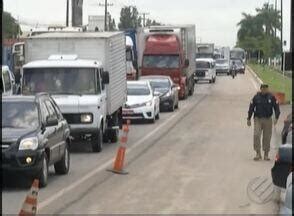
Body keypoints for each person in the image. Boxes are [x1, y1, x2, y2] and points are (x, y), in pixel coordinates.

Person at [247, 84, 280, 161]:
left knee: (267, 137)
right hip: (258, 119)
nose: (265, 90)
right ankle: (258, 153)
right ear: (261, 89)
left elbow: (276, 107)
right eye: (263, 88)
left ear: (267, 89)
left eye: (266, 89)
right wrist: (248, 118)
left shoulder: (271, 97)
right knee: (256, 135)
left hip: (268, 119)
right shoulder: (256, 97)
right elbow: (251, 107)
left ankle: (266, 154)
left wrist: (276, 118)